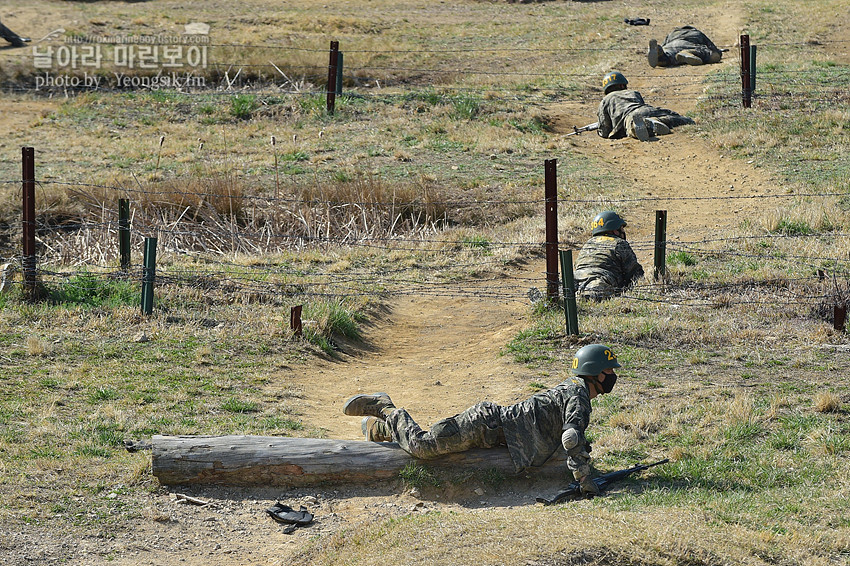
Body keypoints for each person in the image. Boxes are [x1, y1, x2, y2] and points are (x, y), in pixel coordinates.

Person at [342, 343, 622, 496]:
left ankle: (380, 430)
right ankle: (386, 409)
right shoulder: (579, 396)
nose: (612, 375)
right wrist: (584, 479)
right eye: (609, 370)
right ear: (595, 372)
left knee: (427, 446)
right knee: (422, 447)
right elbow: (570, 436)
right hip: (485, 426)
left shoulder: (574, 390)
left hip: (494, 431)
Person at [597, 71, 694, 141]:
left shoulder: (605, 100)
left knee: (632, 128)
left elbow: (605, 129)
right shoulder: (633, 92)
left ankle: (638, 126)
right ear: (622, 85)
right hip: (646, 109)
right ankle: (662, 120)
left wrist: (602, 132)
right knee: (672, 117)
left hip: (630, 117)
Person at [573, 211, 644, 301]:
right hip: (600, 283)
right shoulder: (619, 243)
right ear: (613, 229)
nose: (623, 231)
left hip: (576, 278)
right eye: (621, 228)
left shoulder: (588, 243)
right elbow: (634, 273)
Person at [648, 26, 722, 68]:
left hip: (672, 43)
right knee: (711, 55)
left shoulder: (672, 33)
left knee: (669, 55)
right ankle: (688, 52)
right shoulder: (697, 33)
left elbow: (664, 44)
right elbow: (713, 49)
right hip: (687, 43)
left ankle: (661, 58)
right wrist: (719, 52)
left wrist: (660, 50)